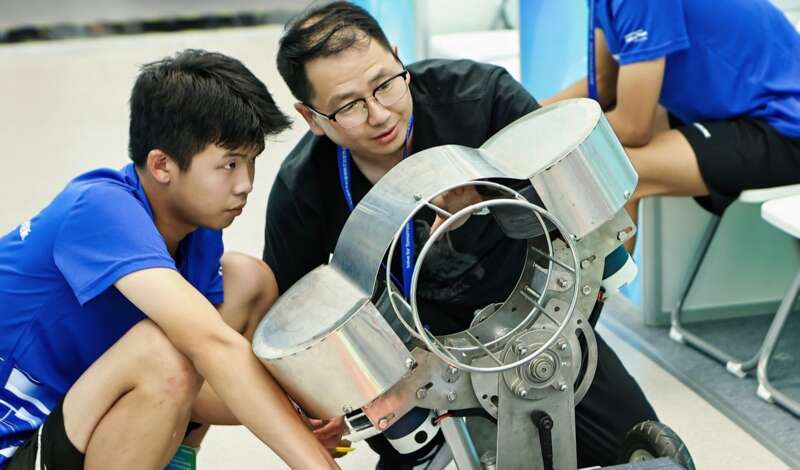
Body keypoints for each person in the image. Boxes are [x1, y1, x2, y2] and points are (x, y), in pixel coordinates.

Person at [263, 2, 657, 468]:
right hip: (412, 364)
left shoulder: (482, 99)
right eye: (349, 106)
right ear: (311, 117)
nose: (380, 114)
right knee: (412, 448)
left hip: (534, 329)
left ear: (398, 58)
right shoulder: (303, 188)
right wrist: (318, 404)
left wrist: (494, 201)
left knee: (638, 449)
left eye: (385, 84)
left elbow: (578, 214)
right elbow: (292, 320)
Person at [0, 49, 338, 469]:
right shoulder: (99, 209)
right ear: (162, 165)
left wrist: (306, 411)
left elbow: (207, 386)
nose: (245, 184)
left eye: (251, 161)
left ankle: (175, 460)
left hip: (70, 416)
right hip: (14, 443)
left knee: (246, 282)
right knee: (168, 354)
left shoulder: (197, 230)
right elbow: (212, 349)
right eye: (229, 164)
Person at [542, 0, 800, 247]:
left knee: (612, 173)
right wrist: (531, 115)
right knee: (589, 155)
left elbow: (634, 128)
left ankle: (599, 281)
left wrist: (546, 132)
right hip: (740, 106)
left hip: (784, 125)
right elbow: (603, 82)